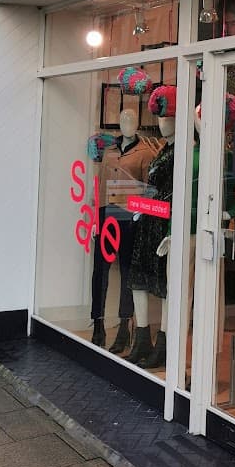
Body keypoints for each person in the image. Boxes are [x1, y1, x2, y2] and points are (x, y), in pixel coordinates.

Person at [90, 108, 155, 351]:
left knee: (127, 273)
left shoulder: (146, 153)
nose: (128, 123)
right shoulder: (109, 152)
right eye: (124, 120)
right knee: (100, 271)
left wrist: (141, 214)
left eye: (132, 120)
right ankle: (97, 322)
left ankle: (124, 325)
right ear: (118, 123)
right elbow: (101, 186)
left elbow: (150, 188)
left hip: (130, 218)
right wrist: (97, 217)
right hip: (107, 217)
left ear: (138, 124)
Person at [126, 85, 177, 368]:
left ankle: (164, 343)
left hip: (163, 227)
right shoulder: (163, 149)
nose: (162, 123)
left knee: (165, 285)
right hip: (149, 223)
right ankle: (142, 339)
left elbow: (174, 194)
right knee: (139, 280)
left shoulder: (182, 151)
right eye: (159, 117)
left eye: (167, 117)